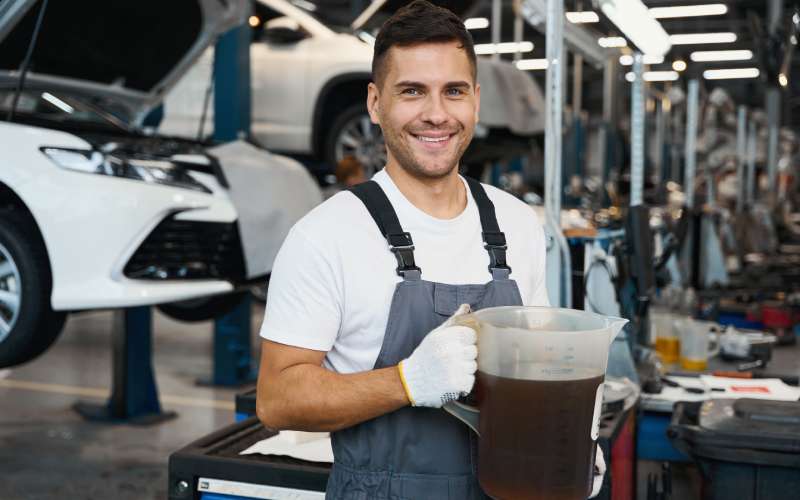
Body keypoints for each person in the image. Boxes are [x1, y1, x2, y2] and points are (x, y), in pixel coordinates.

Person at [256, 1, 604, 498]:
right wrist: (406, 382)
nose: (437, 114)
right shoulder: (327, 235)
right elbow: (277, 399)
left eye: (454, 91)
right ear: (376, 103)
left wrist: (567, 443)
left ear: (476, 101)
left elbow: (538, 364)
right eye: (412, 91)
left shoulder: (517, 225)